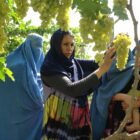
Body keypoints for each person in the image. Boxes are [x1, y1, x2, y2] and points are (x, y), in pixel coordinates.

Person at [40, 29, 115, 140]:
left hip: (79, 124)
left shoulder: (73, 62)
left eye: (72, 44)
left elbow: (97, 64)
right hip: (58, 126)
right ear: (56, 45)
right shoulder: (49, 68)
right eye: (65, 44)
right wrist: (103, 68)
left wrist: (113, 49)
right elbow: (72, 89)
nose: (69, 48)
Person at [0, 33, 44, 140]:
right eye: (36, 47)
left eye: (40, 47)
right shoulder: (23, 67)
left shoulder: (9, 61)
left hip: (6, 114)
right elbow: (37, 100)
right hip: (24, 118)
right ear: (28, 45)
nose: (38, 51)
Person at [90, 49, 135, 140]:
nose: (116, 59)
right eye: (113, 56)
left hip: (130, 123)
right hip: (110, 122)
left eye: (121, 55)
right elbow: (103, 94)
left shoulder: (134, 70)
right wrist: (124, 97)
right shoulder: (104, 72)